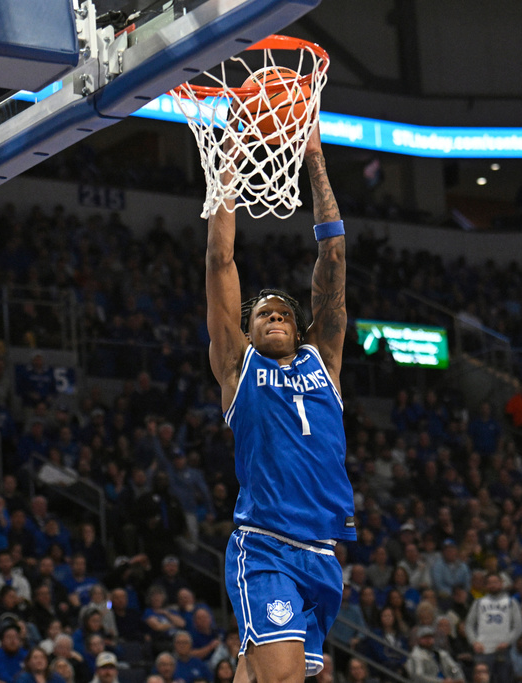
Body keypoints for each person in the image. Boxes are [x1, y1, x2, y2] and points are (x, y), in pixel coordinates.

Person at [206, 121, 353, 682]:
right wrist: (230, 164)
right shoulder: (238, 367)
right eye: (262, 312)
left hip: (321, 553)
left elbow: (333, 258)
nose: (273, 315)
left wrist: (313, 156)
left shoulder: (325, 364)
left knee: (263, 675)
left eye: (283, 312)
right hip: (266, 546)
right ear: (248, 329)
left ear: (298, 328)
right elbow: (221, 261)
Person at [465, 572, 522, 682]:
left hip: (502, 650)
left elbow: (518, 626)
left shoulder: (511, 602)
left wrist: (508, 642)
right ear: (486, 585)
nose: (493, 585)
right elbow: (469, 624)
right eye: (490, 583)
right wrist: (474, 642)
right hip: (483, 650)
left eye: (495, 582)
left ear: (501, 583)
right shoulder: (479, 602)